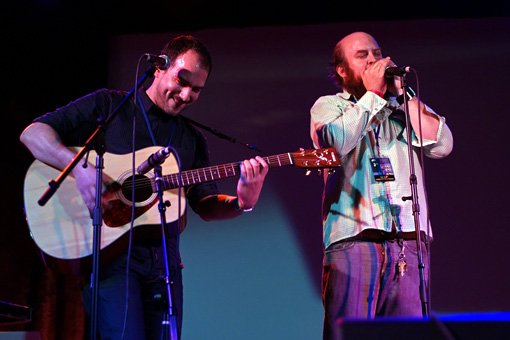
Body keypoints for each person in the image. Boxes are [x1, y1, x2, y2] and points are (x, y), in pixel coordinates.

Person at [20, 35, 268, 339]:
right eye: (182, 80)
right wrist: (81, 169)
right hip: (113, 263)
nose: (187, 94)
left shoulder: (191, 140)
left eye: (196, 90)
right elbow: (33, 134)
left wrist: (243, 201)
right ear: (159, 68)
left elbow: (205, 205)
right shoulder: (108, 107)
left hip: (165, 266)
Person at [309, 31, 453, 339]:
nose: (374, 59)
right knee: (349, 334)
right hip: (355, 240)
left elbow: (442, 144)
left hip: (409, 241)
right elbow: (335, 142)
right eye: (362, 55)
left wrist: (404, 96)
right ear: (342, 70)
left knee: (407, 334)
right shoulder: (329, 106)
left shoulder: (402, 107)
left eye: (376, 52)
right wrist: (372, 97)